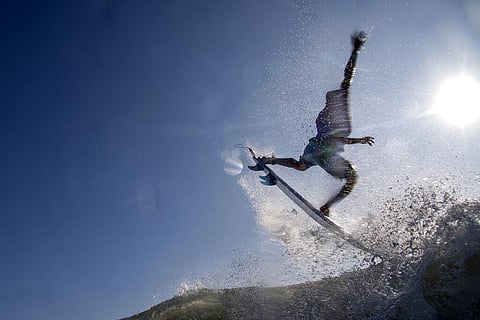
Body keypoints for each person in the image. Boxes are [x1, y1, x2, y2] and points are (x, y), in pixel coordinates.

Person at [256, 31, 374, 217]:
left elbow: (345, 82)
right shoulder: (336, 114)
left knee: (301, 166)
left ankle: (271, 160)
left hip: (312, 149)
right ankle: (327, 207)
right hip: (323, 152)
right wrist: (356, 51)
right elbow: (347, 78)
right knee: (352, 178)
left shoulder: (323, 116)